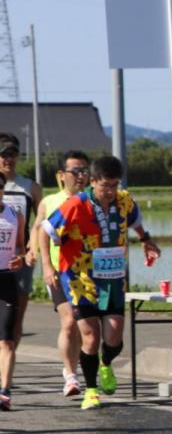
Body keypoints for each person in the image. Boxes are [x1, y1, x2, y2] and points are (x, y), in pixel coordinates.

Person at [44, 156, 161, 410]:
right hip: (80, 280)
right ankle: (91, 390)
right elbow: (45, 230)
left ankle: (106, 363)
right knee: (90, 336)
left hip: (113, 279)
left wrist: (145, 240)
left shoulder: (124, 200)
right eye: (105, 185)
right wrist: (46, 266)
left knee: (114, 335)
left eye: (114, 185)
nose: (110, 191)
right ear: (93, 181)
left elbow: (136, 221)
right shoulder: (75, 204)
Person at [33, 151, 90, 396]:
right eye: (75, 171)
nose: (80, 176)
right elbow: (39, 229)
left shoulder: (93, 200)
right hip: (60, 272)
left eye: (84, 171)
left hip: (87, 273)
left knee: (83, 326)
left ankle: (80, 368)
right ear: (61, 175)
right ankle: (70, 375)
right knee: (69, 322)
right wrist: (42, 261)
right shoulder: (50, 202)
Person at [0, 133, 42, 357]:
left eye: (13, 154)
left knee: (15, 319)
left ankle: (6, 365)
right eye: (4, 154)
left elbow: (40, 223)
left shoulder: (31, 187)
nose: (9, 159)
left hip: (20, 260)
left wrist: (32, 249)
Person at [0, 188, 28, 409]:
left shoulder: (15, 214)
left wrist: (20, 257)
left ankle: (5, 391)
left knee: (7, 339)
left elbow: (21, 246)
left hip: (6, 280)